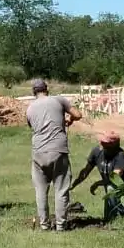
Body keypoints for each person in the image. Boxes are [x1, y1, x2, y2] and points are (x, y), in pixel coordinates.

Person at [26, 79, 82, 232]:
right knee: (61, 189)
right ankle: (60, 225)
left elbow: (33, 125)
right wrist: (69, 119)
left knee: (41, 190)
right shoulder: (59, 100)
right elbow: (78, 114)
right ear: (47, 89)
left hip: (38, 152)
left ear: (34, 92)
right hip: (58, 150)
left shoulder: (30, 108)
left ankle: (44, 225)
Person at [70, 128, 124, 222]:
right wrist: (73, 185)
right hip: (109, 183)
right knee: (112, 194)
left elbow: (115, 177)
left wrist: (97, 183)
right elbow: (85, 171)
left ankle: (110, 219)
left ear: (113, 145)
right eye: (102, 141)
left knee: (111, 190)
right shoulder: (97, 151)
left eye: (105, 142)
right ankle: (114, 215)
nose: (102, 143)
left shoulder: (120, 154)